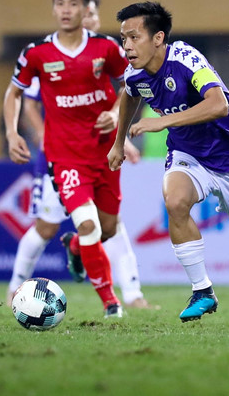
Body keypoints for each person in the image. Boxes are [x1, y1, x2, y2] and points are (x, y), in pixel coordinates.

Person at [109, 1, 229, 333]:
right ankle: (202, 290)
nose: (126, 46)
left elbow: (218, 104)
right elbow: (129, 94)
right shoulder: (135, 73)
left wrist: (162, 121)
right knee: (175, 201)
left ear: (158, 37)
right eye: (123, 38)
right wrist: (118, 142)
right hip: (188, 153)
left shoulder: (186, 59)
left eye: (133, 37)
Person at [4, 0, 128, 318]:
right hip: (65, 157)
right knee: (87, 223)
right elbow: (15, 92)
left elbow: (131, 85)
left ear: (86, 7)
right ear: (54, 7)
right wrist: (13, 133)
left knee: (106, 229)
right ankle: (111, 303)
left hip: (105, 153)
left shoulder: (106, 48)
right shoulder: (37, 53)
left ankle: (75, 247)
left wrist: (117, 112)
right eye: (60, 3)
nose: (66, 10)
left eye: (74, 3)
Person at [8, 77, 155, 309]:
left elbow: (120, 96)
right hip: (59, 156)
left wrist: (120, 137)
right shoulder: (47, 58)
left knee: (110, 225)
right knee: (46, 228)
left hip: (96, 153)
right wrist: (41, 133)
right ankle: (14, 289)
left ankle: (132, 294)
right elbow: (29, 104)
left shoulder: (102, 56)